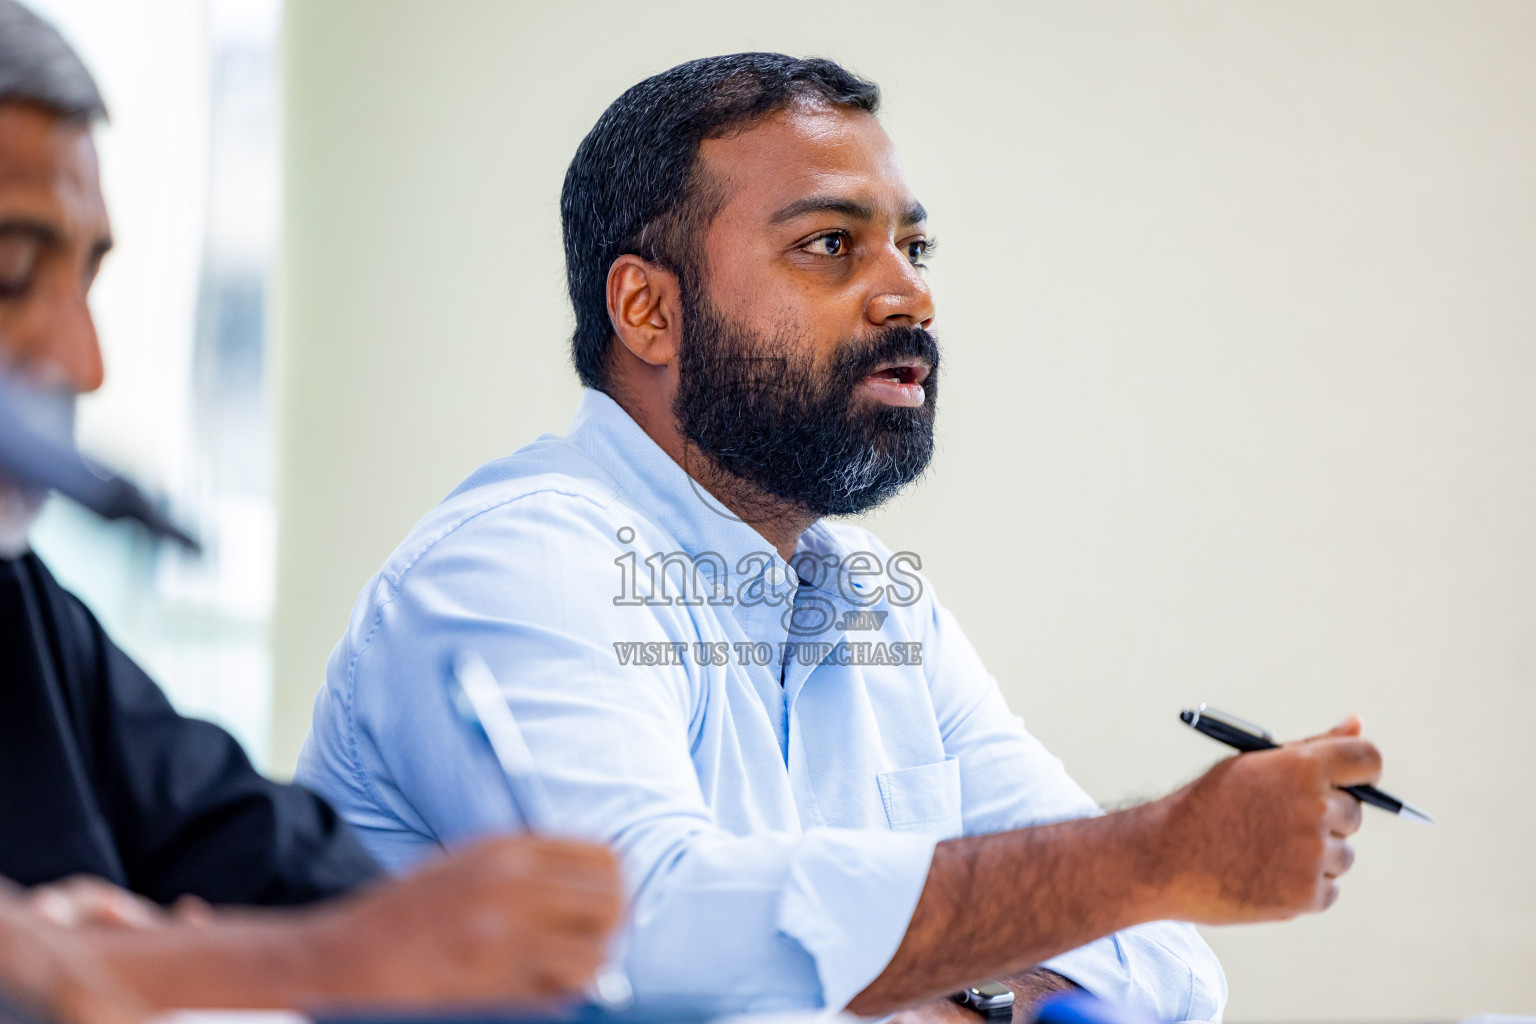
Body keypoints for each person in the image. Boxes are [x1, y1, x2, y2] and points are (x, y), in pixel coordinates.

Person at [297, 54, 1383, 1022]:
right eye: (831, 245)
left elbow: (1168, 972)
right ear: (647, 310)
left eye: (914, 245)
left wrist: (970, 986)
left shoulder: (877, 602)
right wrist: (1146, 859)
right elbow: (654, 964)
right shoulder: (517, 569)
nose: (910, 293)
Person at [0, 0, 621, 1014]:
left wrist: (471, 932)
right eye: (11, 272)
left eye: (90, 276)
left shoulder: (25, 616)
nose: (84, 362)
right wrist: (283, 965)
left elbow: (270, 854)